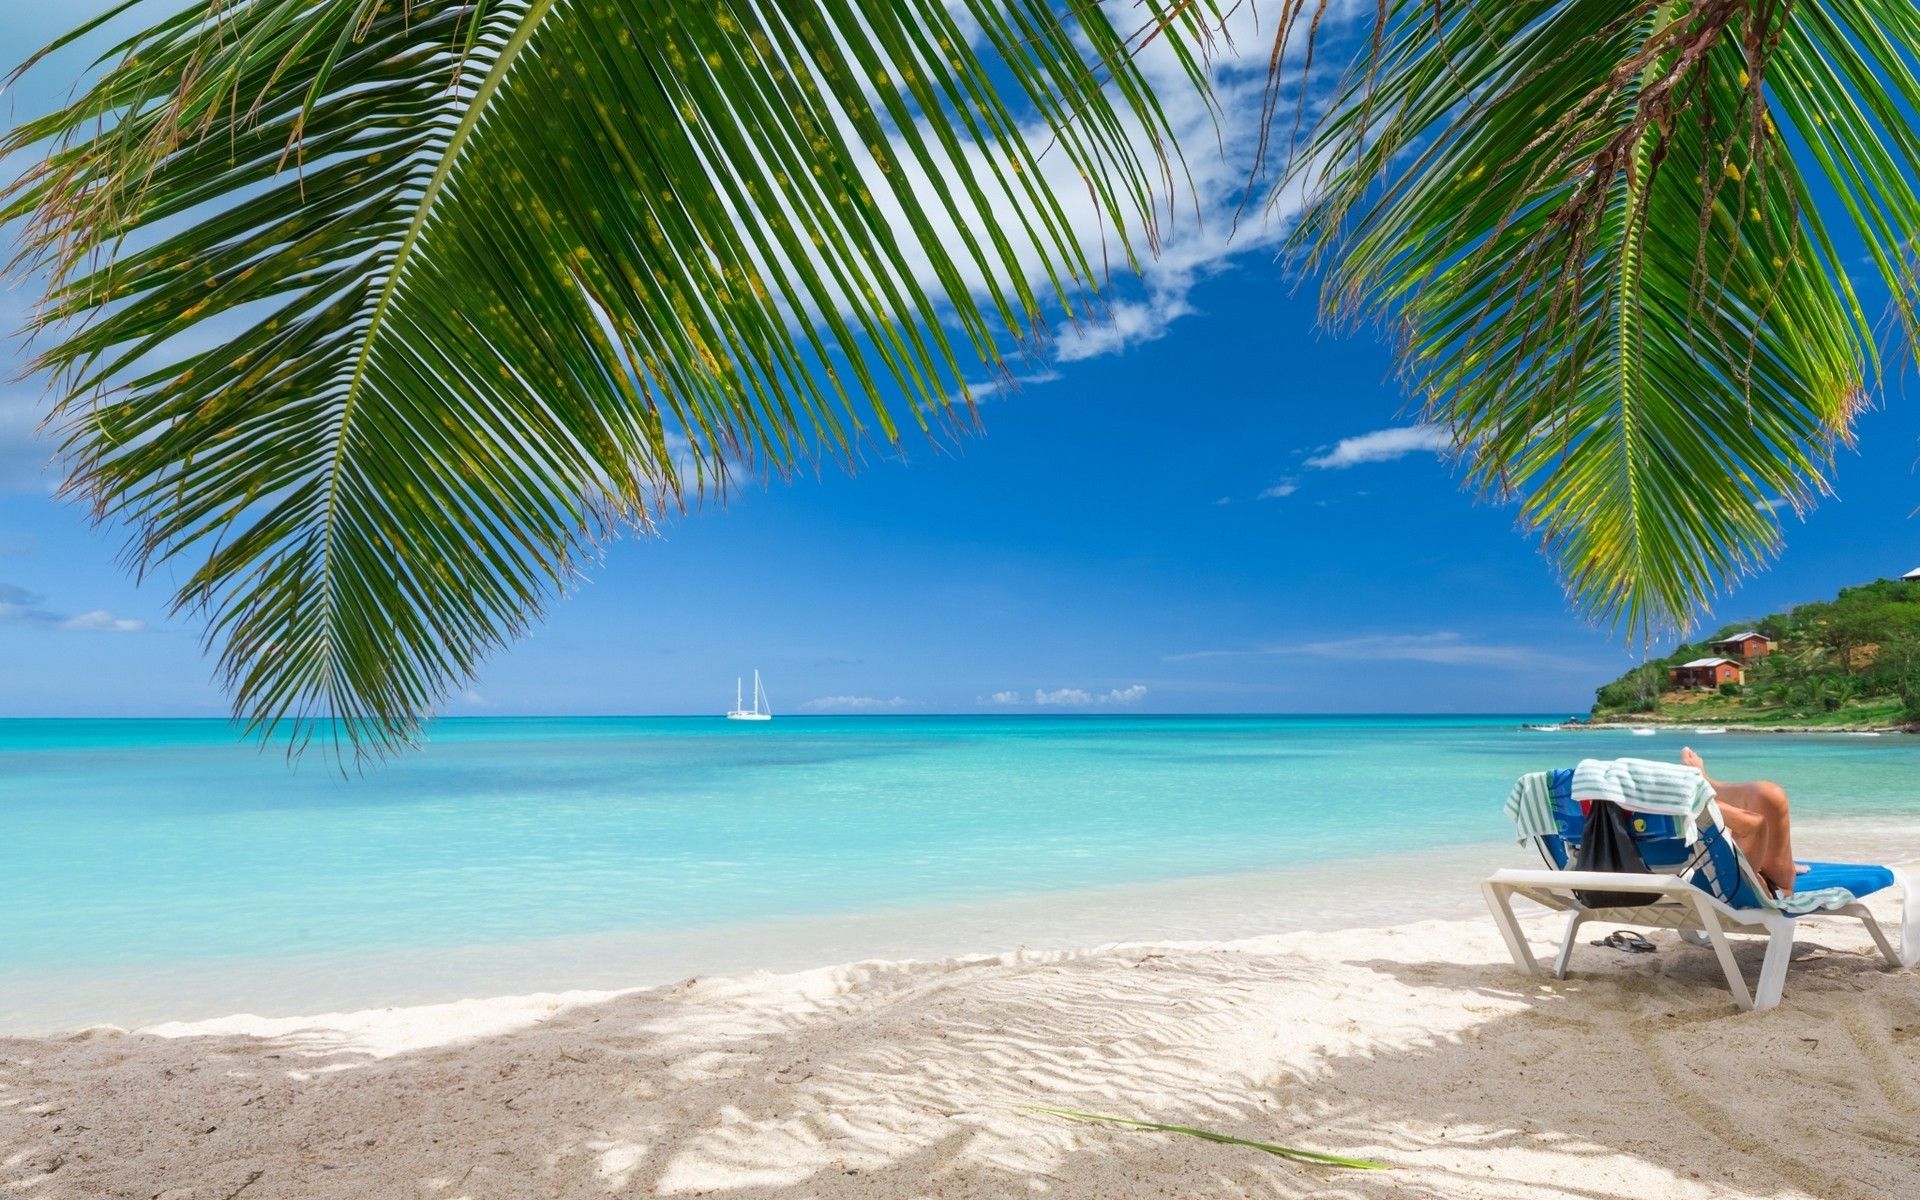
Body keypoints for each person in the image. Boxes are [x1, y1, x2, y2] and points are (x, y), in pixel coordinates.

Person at [1680, 747, 1807, 896]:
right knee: (1769, 795)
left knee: (1765, 795)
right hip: (1746, 886)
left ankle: (1706, 790)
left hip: (1675, 873)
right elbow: (1754, 826)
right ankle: (1707, 791)